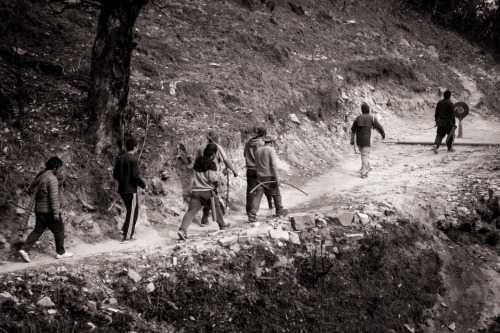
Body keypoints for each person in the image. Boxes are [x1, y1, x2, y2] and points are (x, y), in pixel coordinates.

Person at [18, 157, 73, 262]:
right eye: (60, 168)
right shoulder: (51, 179)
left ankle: (24, 250)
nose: (60, 171)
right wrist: (56, 214)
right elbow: (53, 198)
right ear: (55, 168)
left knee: (38, 230)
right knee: (59, 229)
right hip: (49, 211)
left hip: (39, 210)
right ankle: (60, 252)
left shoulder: (41, 177)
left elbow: (31, 191)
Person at [178, 143, 231, 240]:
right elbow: (212, 178)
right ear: (214, 154)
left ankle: (182, 230)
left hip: (195, 191)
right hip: (207, 191)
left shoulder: (198, 161)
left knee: (191, 212)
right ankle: (222, 225)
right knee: (216, 206)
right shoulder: (212, 164)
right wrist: (222, 174)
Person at [195, 132, 238, 226]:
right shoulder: (217, 147)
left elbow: (196, 162)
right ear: (217, 139)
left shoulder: (200, 148)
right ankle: (218, 219)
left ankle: (206, 218)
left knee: (210, 196)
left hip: (201, 177)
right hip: (213, 176)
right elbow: (226, 161)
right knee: (212, 197)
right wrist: (234, 170)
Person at [113, 138, 146, 242]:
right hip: (131, 190)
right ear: (135, 147)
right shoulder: (134, 159)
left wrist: (123, 180)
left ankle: (125, 229)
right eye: (137, 146)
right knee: (133, 212)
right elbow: (135, 176)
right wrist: (143, 185)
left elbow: (115, 175)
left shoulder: (120, 158)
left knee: (130, 211)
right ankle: (127, 236)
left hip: (122, 189)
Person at [248, 135, 284, 222]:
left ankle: (252, 215)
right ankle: (279, 212)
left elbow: (256, 164)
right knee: (276, 194)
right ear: (271, 142)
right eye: (273, 143)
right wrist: (277, 178)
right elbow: (273, 165)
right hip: (269, 177)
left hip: (260, 177)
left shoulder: (258, 150)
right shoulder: (271, 150)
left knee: (258, 196)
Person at [244, 127, 274, 216]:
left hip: (249, 169)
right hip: (259, 169)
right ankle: (270, 204)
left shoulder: (248, 143)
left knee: (250, 190)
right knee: (265, 187)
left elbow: (244, 154)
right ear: (264, 135)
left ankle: (249, 211)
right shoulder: (261, 143)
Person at [350, 102, 385, 179]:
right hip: (367, 141)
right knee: (365, 156)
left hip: (359, 141)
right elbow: (379, 127)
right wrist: (383, 135)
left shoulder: (357, 118)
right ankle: (363, 173)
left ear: (361, 110)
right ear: (368, 110)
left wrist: (352, 140)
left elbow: (353, 130)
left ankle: (367, 167)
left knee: (363, 155)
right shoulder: (371, 118)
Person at [433, 90, 456, 154]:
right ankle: (450, 148)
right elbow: (452, 114)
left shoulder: (439, 102)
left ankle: (436, 145)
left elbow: (436, 112)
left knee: (439, 135)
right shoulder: (450, 103)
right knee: (451, 135)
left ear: (444, 95)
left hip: (440, 122)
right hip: (448, 123)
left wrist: (436, 120)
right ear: (450, 96)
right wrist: (454, 123)